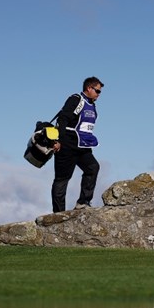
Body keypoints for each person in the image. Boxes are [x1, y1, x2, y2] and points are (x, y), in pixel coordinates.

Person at [51, 76, 104, 212]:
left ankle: (83, 202)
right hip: (67, 145)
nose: (99, 94)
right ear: (89, 88)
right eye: (97, 91)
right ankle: (58, 214)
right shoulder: (76, 99)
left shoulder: (92, 104)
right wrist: (57, 141)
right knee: (62, 179)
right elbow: (62, 119)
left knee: (93, 168)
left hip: (83, 147)